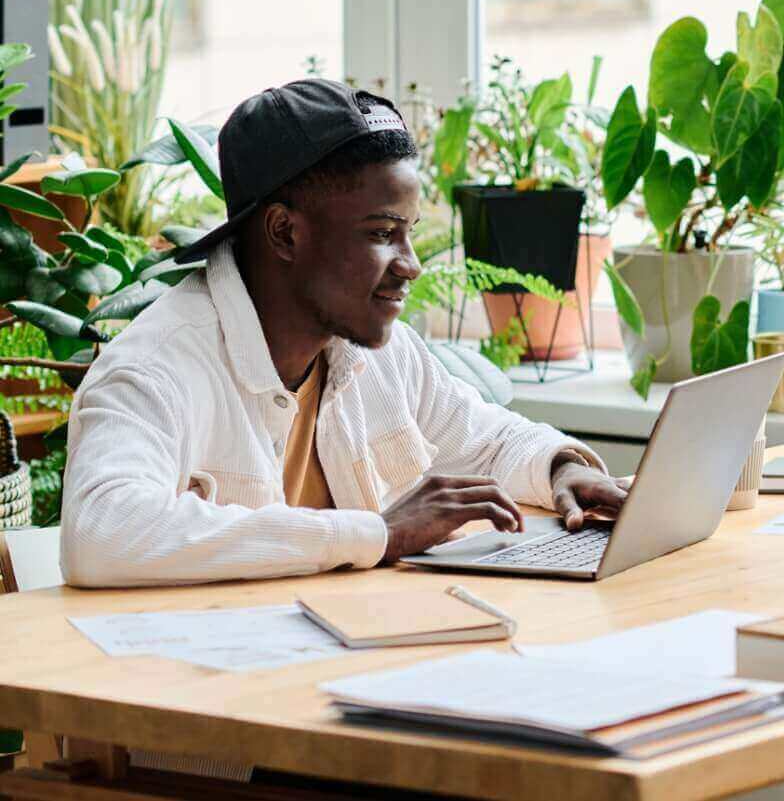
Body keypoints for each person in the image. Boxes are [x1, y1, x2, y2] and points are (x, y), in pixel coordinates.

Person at [60, 79, 628, 588]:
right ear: (284, 232)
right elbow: (102, 531)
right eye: (382, 232)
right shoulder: (152, 371)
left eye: (409, 233)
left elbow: (486, 440)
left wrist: (563, 468)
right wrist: (373, 533)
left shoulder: (379, 352)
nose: (411, 264)